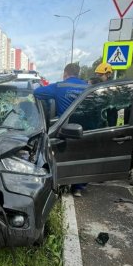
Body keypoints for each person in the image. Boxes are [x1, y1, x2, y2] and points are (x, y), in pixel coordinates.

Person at [34, 63, 88, 197]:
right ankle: (78, 187)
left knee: (63, 155)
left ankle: (62, 183)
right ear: (78, 73)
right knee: (83, 157)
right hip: (86, 129)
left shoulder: (60, 86)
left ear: (65, 73)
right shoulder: (88, 87)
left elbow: (37, 92)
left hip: (64, 129)